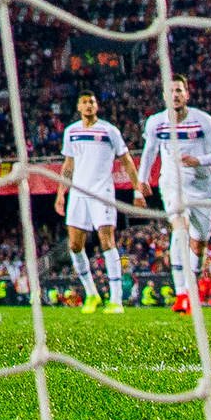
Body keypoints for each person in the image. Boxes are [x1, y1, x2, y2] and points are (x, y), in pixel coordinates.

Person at [139, 74, 211, 315]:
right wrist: (142, 180)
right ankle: (181, 294)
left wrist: (198, 160)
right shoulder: (156, 122)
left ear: (186, 94)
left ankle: (192, 288)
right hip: (171, 184)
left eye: (179, 90)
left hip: (202, 188)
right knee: (179, 228)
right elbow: (149, 152)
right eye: (171, 91)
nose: (175, 95)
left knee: (199, 245)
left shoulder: (203, 121)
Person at [52, 90, 145, 314]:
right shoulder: (71, 131)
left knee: (107, 241)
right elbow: (68, 165)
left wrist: (137, 190)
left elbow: (127, 160)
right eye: (84, 102)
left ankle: (115, 300)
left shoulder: (109, 130)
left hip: (102, 192)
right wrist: (60, 193)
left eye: (92, 102)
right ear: (78, 107)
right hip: (78, 193)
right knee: (74, 245)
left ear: (97, 106)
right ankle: (92, 294)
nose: (89, 105)